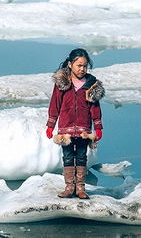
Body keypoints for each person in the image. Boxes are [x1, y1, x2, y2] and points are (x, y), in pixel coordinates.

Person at [45, 48, 104, 199]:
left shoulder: (91, 84)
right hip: (66, 128)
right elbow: (55, 104)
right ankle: (69, 187)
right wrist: (51, 124)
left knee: (82, 156)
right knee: (68, 157)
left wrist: (98, 127)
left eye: (85, 66)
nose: (82, 69)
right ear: (71, 64)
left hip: (84, 128)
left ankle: (80, 188)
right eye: (79, 65)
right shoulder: (62, 83)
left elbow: (95, 108)